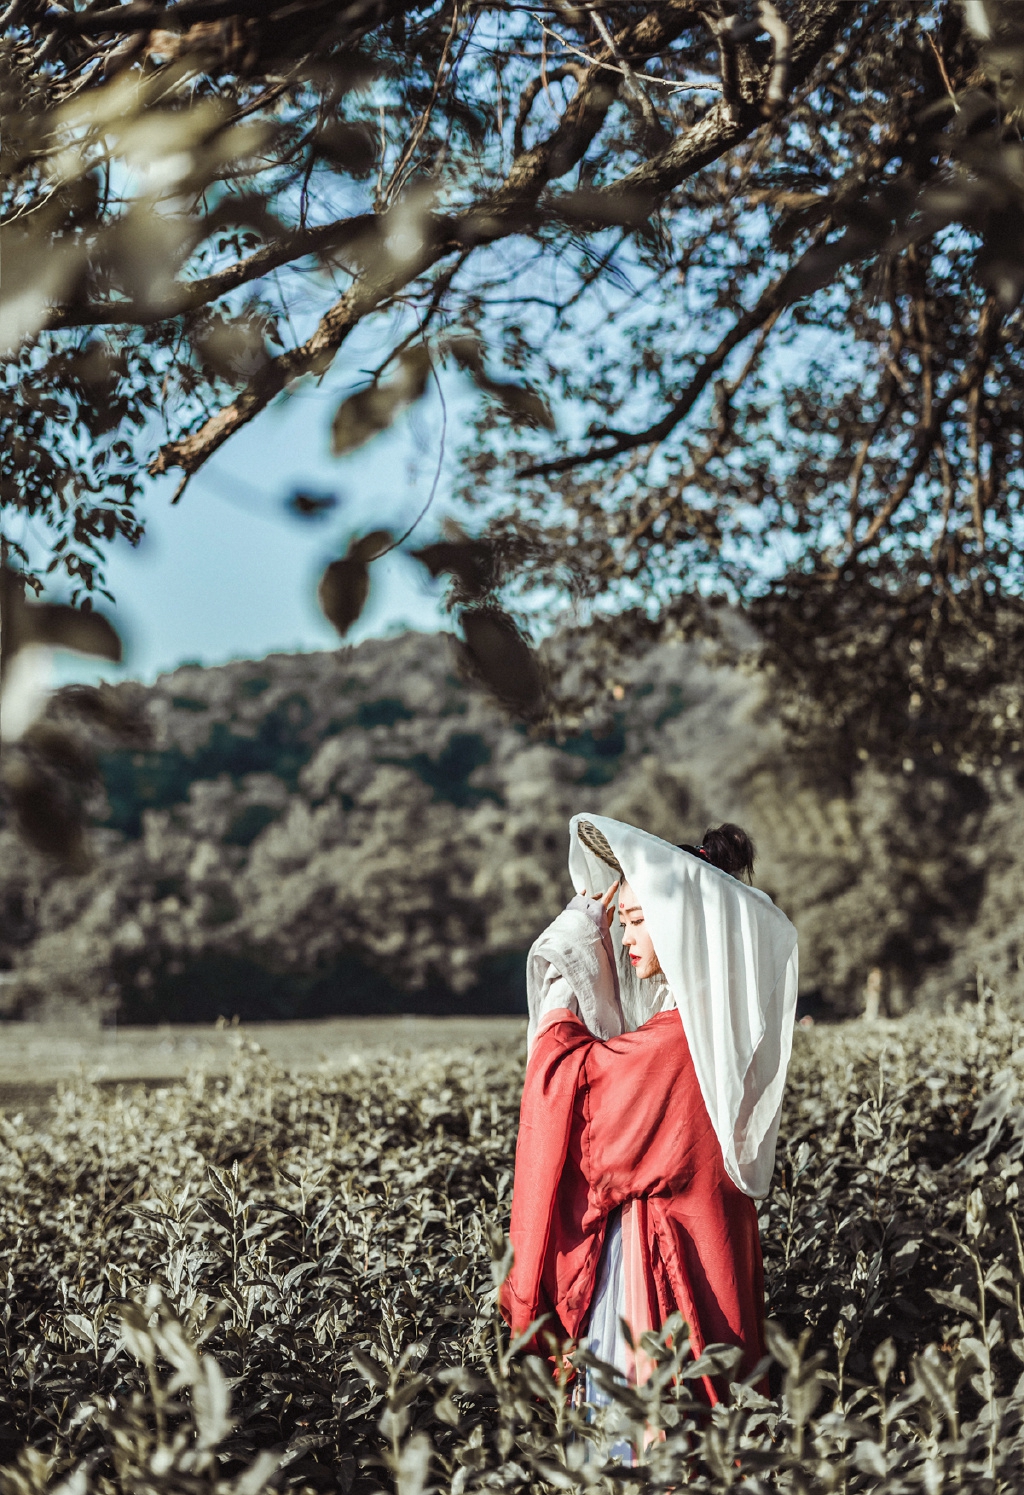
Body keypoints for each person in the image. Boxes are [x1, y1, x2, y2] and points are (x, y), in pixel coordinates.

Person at [500, 813, 798, 1412]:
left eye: (637, 921)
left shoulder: (676, 1044)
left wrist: (571, 952)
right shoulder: (713, 1035)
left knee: (650, 1426)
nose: (624, 937)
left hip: (660, 1263)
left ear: (679, 928)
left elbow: (567, 1083)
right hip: (700, 1245)